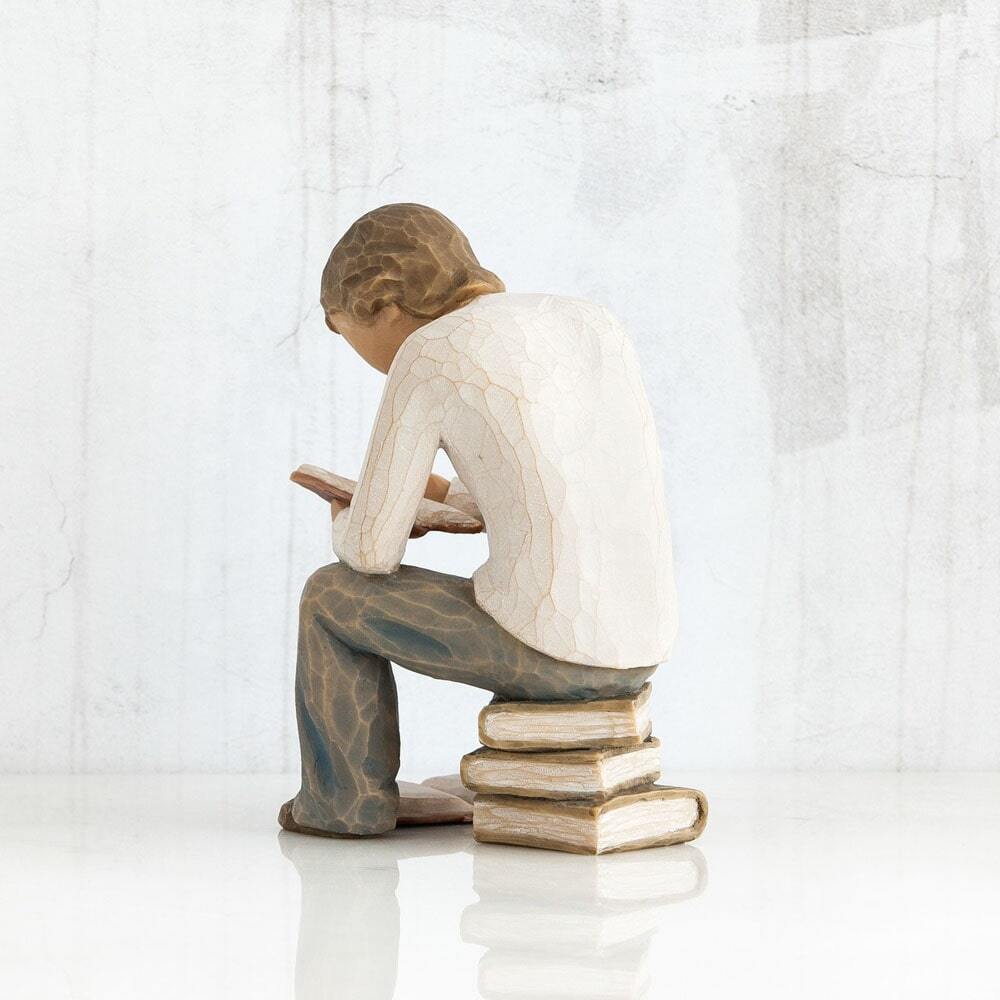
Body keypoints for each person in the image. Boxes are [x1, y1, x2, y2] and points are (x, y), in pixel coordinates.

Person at [280, 203, 677, 837]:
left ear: (382, 302)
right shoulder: (587, 321)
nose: (358, 352)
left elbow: (371, 554)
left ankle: (343, 802)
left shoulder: (430, 349)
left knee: (330, 594)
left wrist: (347, 512)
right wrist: (446, 496)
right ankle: (513, 775)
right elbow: (550, 483)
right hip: (642, 645)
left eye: (343, 329)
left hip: (552, 655)